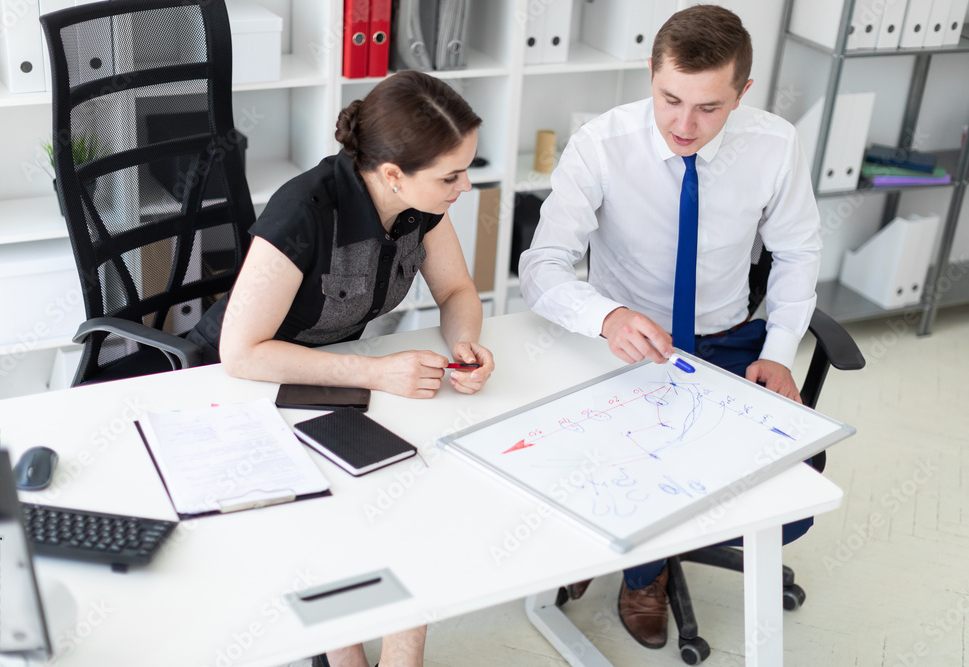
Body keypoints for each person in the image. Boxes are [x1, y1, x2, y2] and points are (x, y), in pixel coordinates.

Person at [518, 4, 821, 652]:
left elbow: (798, 251)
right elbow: (541, 267)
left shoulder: (775, 145)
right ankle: (639, 573)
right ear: (651, 73)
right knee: (634, 451)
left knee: (797, 484)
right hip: (628, 339)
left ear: (743, 91)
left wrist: (777, 350)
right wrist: (607, 316)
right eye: (669, 98)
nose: (684, 124)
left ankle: (641, 556)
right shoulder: (602, 143)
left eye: (709, 107)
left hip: (728, 337)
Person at [190, 70, 495, 667]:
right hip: (244, 388)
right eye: (451, 175)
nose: (464, 185)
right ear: (391, 173)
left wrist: (465, 346)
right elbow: (241, 353)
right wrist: (378, 374)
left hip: (334, 376)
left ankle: (402, 659)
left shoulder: (421, 203)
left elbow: (458, 290)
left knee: (411, 492)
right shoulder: (303, 212)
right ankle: (346, 655)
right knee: (336, 517)